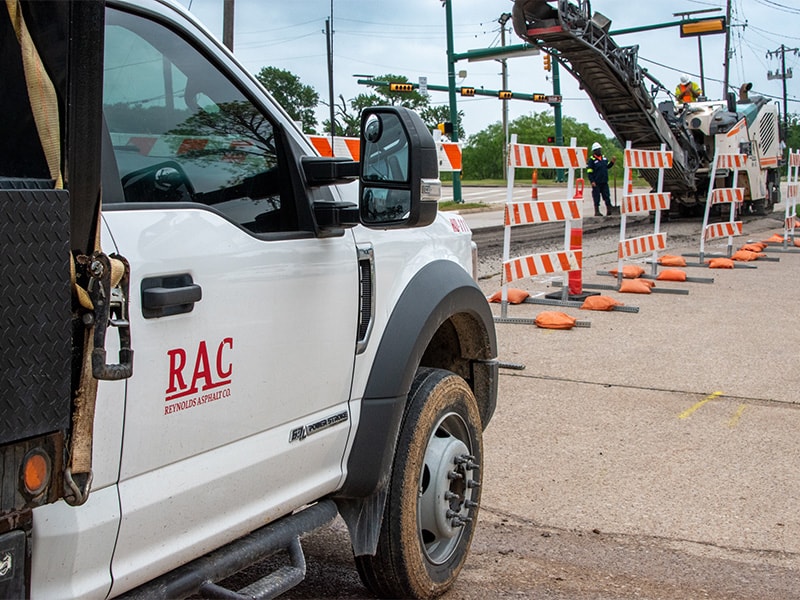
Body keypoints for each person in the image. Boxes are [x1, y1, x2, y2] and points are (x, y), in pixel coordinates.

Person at [587, 141, 616, 217]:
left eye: (599, 149)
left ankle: (609, 210)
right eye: (597, 150)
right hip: (596, 182)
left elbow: (607, 167)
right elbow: (589, 171)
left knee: (606, 196)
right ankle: (597, 211)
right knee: (596, 197)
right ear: (594, 151)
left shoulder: (604, 159)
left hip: (604, 181)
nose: (599, 151)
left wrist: (612, 162)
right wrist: (592, 181)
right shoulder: (592, 160)